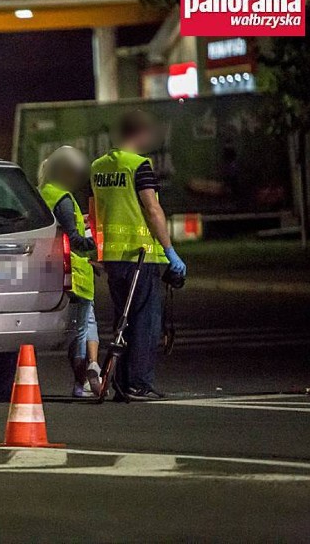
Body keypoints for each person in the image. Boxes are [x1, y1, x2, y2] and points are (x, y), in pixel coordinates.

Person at [90, 110, 187, 401]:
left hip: (114, 257)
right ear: (141, 134)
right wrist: (170, 250)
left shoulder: (98, 167)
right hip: (140, 255)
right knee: (146, 321)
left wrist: (98, 250)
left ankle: (121, 381)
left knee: (124, 319)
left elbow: (94, 212)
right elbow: (152, 208)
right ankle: (138, 384)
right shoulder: (140, 166)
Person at [38, 146, 101, 398]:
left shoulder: (43, 194)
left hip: (56, 267)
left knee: (87, 322)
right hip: (75, 270)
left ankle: (90, 371)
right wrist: (97, 244)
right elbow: (73, 239)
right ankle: (81, 381)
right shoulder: (62, 198)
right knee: (81, 328)